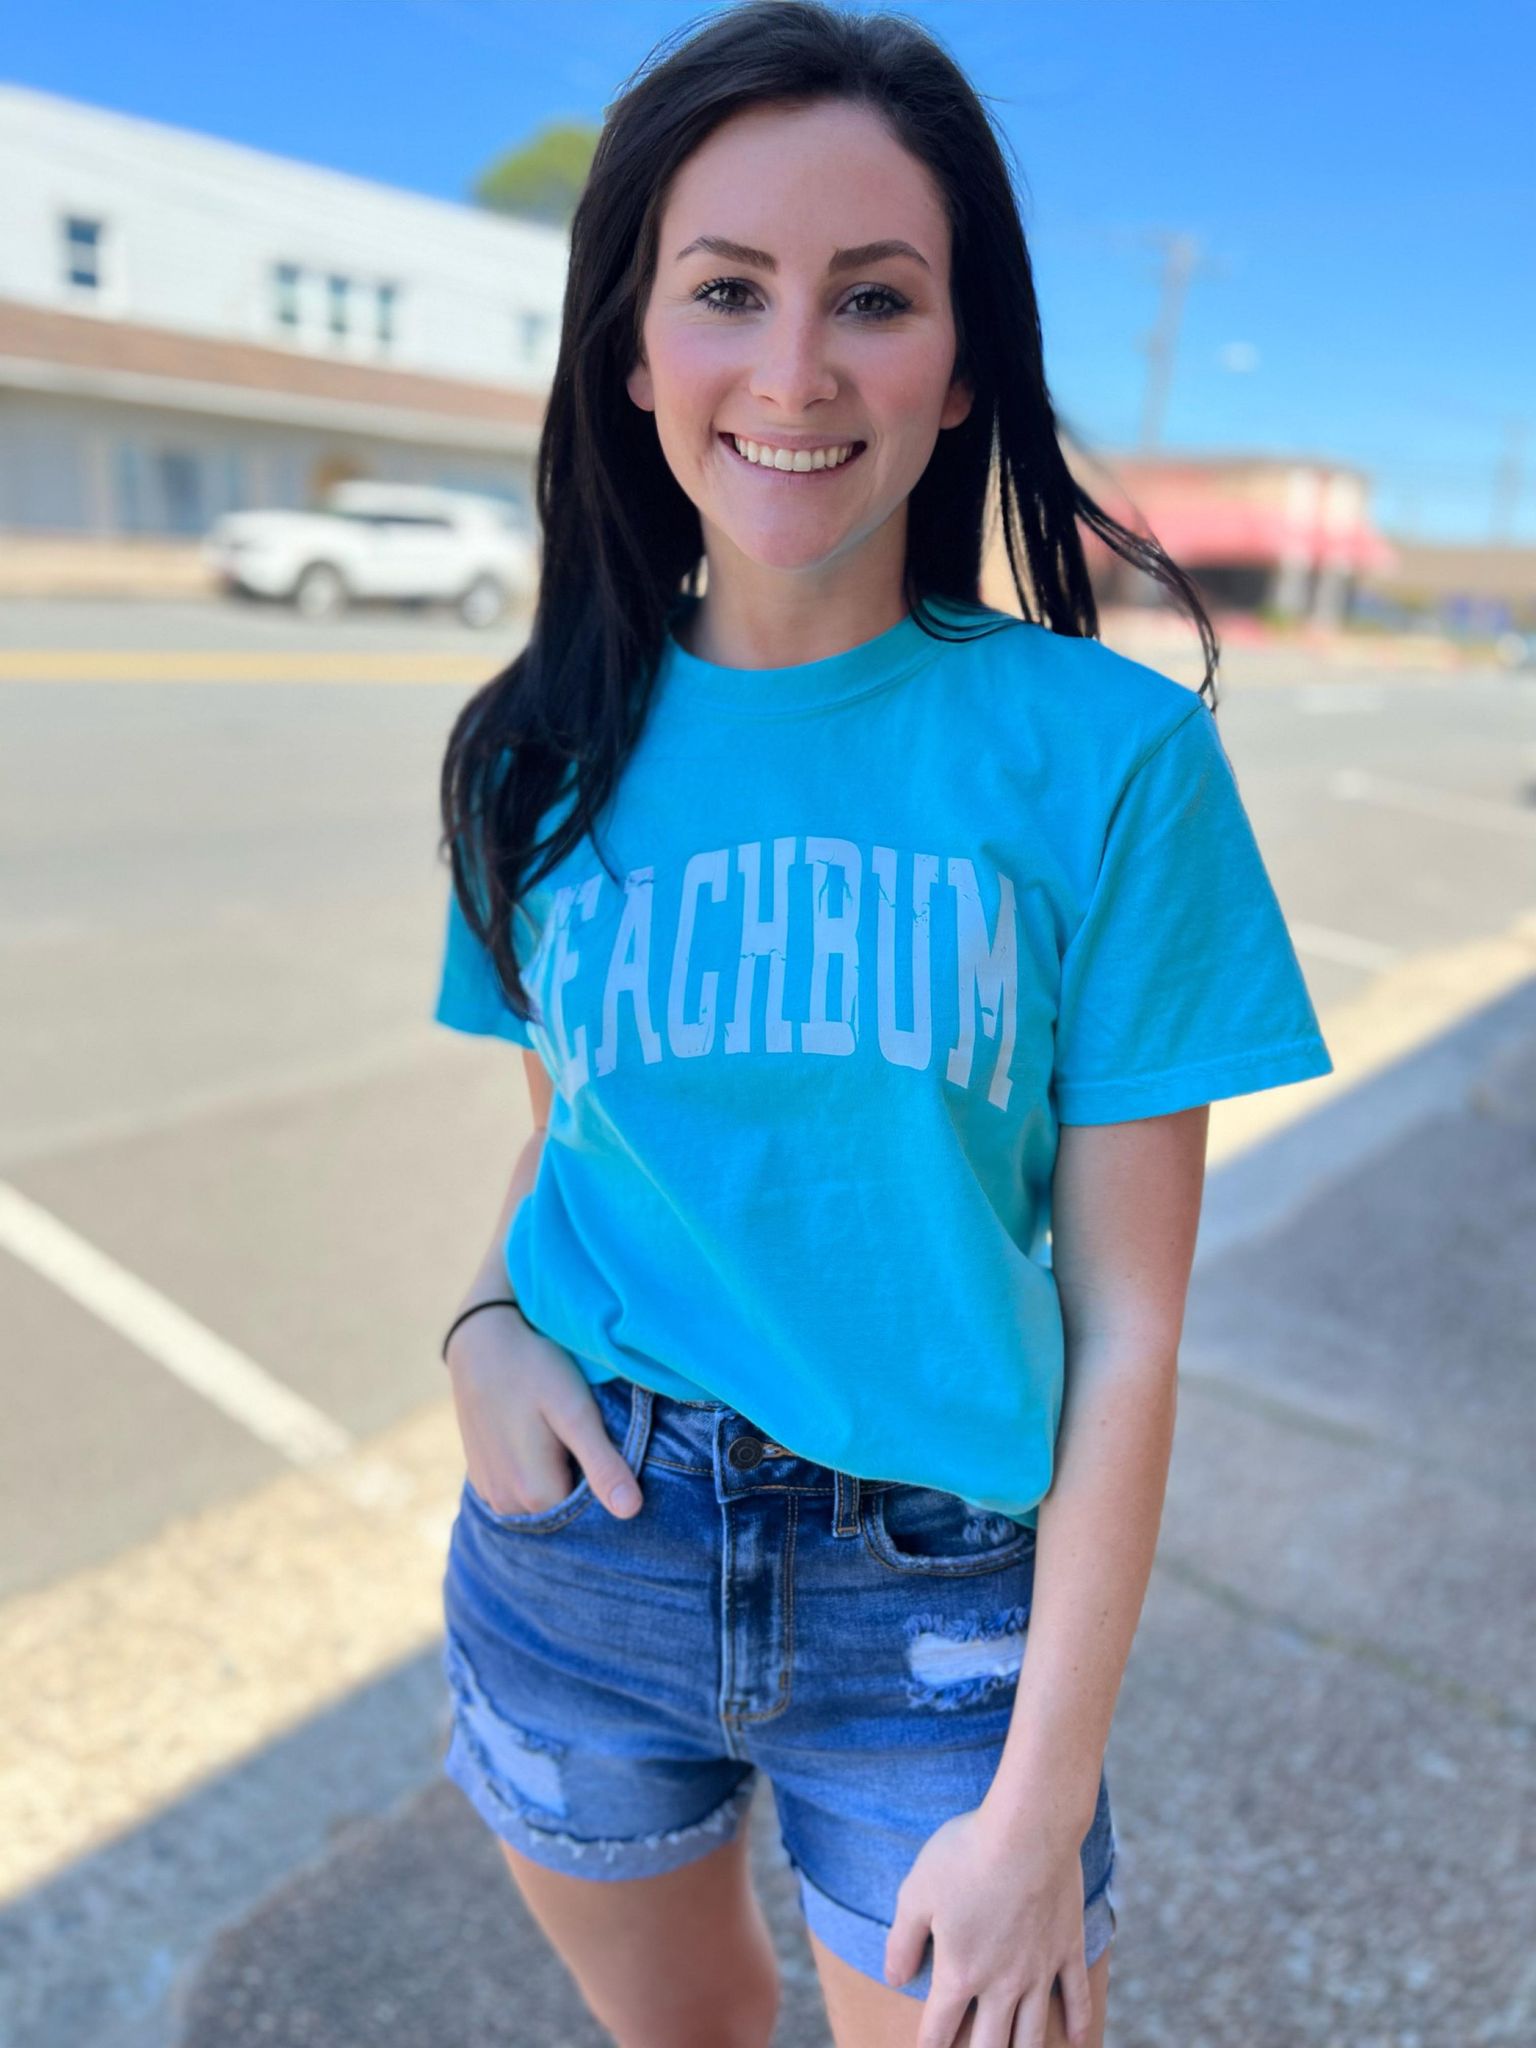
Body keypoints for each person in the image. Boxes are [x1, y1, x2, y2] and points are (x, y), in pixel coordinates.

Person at [430, 5, 1333, 2045]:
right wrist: (480, 1328)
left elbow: (1136, 1328)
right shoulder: (532, 752)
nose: (795, 366)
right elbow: (575, 1127)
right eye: (728, 290)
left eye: (877, 298)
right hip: (587, 1553)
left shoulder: (1106, 758)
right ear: (634, 348)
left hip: (938, 1599)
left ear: (959, 365)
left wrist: (1041, 1797)